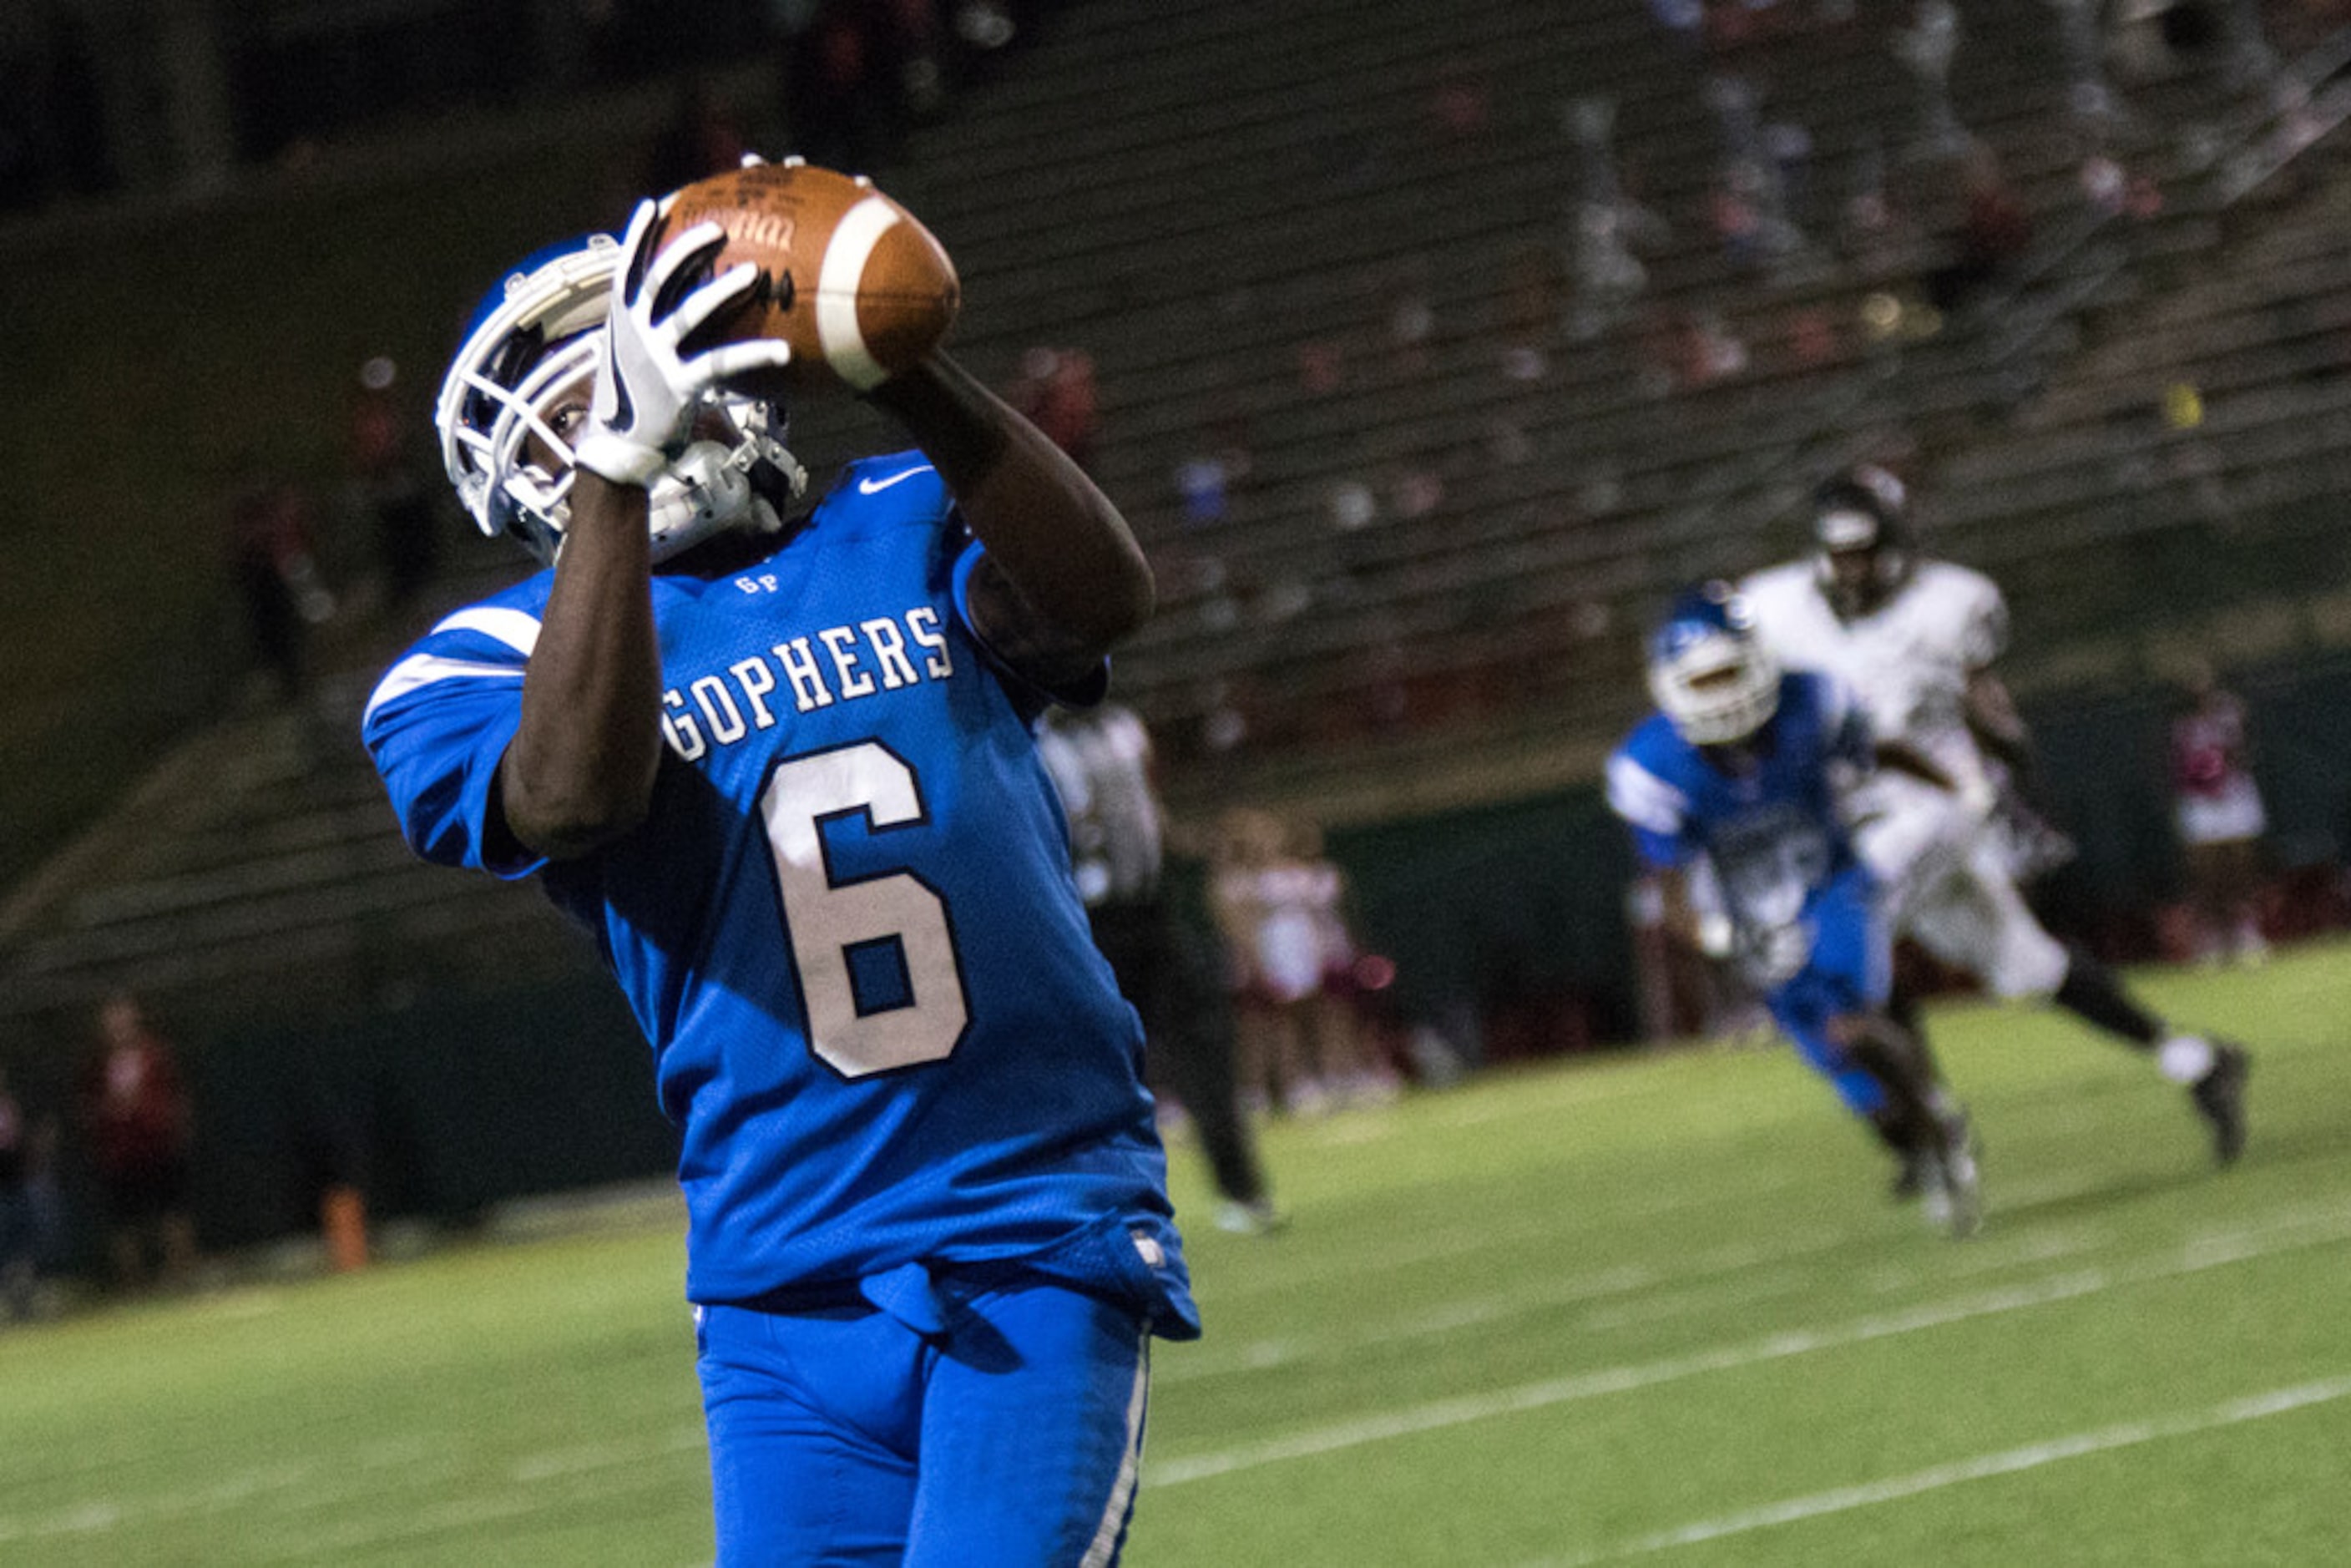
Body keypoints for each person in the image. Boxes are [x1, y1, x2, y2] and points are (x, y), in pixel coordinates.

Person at [363, 178, 1195, 1563]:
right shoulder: (479, 660)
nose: (637, 404)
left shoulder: (899, 516)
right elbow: (573, 793)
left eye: (646, 369)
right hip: (776, 1280)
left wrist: (904, 362)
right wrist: (615, 488)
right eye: (582, 403)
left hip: (1028, 1223)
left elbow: (1101, 599)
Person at [1740, 465, 2250, 1165]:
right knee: (2026, 966)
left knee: (1845, 938)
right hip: (1847, 820)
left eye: (1865, 551)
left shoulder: (1953, 602)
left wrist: (2025, 783)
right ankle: (2196, 1060)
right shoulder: (1775, 607)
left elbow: (1989, 708)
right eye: (1841, 554)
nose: (1852, 570)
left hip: (1933, 805)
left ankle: (1929, 1126)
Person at [1605, 583, 1983, 1236]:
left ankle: (1941, 1121)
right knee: (1866, 1099)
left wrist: (1957, 787)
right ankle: (1921, 1136)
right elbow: (1666, 884)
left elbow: (1879, 749)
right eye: (1705, 679)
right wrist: (1718, 935)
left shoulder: (1814, 701)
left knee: (1853, 1026)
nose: (1723, 692)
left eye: (1729, 670)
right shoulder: (1651, 766)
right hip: (1752, 920)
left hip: (1832, 886)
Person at [1038, 701, 1282, 1235]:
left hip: (1154, 912)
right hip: (1087, 924)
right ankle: (1099, 1209)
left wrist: (1191, 844)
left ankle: (1241, 1190)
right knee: (1094, 1071)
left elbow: (1150, 811)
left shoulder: (1122, 724)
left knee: (1203, 1047)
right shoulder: (1030, 737)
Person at [76, 994, 200, 1289]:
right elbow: (87, 1106)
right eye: (112, 1021)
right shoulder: (96, 1064)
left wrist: (172, 1127)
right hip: (119, 1154)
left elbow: (177, 1096)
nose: (119, 1026)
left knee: (173, 1213)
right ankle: (135, 1285)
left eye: (124, 1019)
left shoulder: (155, 1054)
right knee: (125, 1222)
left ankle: (181, 1277)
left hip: (159, 1147)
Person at [2168, 660, 2269, 965]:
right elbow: (2167, 763)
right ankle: (2211, 936)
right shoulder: (2177, 722)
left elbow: (2246, 747)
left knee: (2239, 868)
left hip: (2233, 795)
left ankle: (2245, 931)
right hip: (2198, 801)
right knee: (2206, 873)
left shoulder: (2229, 713)